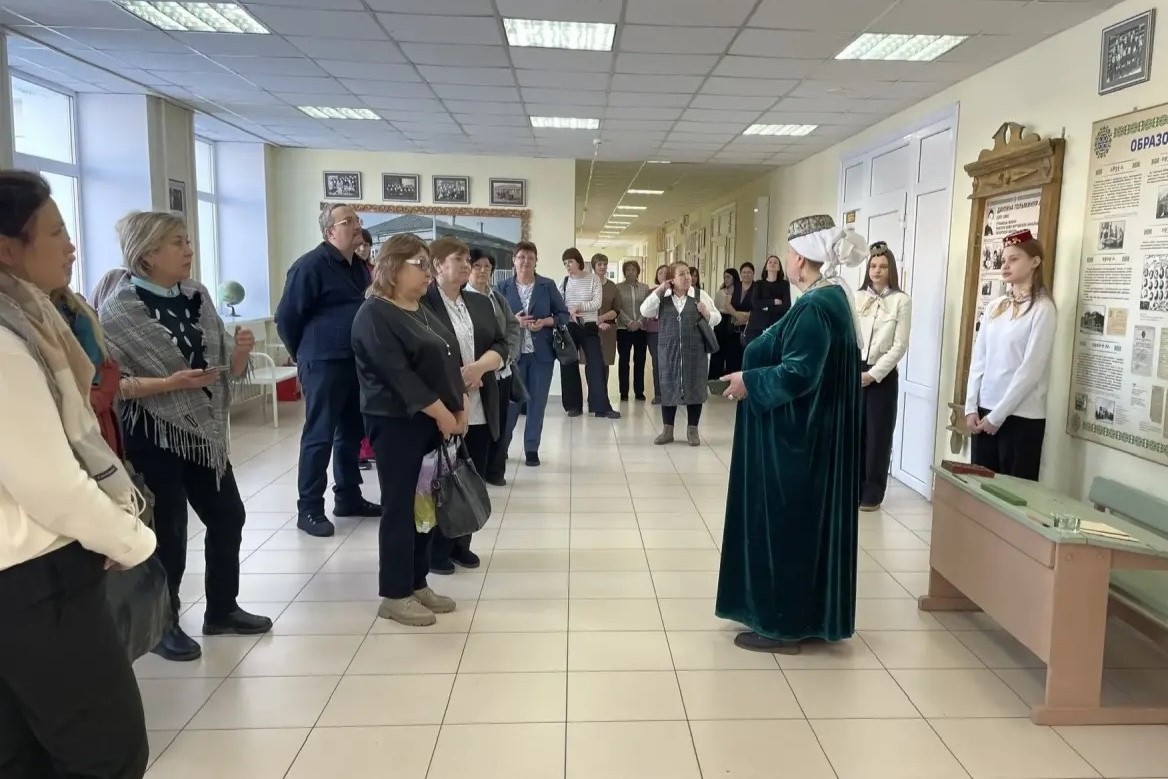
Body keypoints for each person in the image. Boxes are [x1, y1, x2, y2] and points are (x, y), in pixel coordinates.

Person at [0, 170, 156, 779]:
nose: (71, 246)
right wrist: (130, 538)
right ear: (7, 248)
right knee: (107, 753)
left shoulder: (31, 317)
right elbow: (49, 484)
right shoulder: (6, 342)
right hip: (33, 578)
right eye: (56, 232)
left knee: (24, 754)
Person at [99, 210, 273, 662]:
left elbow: (220, 370)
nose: (189, 250)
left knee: (228, 516)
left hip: (202, 433)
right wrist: (169, 384)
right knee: (170, 533)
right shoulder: (118, 310)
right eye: (178, 243)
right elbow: (114, 385)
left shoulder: (196, 295)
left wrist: (240, 354)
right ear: (147, 254)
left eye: (188, 241)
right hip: (153, 433)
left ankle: (222, 610)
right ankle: (163, 625)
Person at [716, 214, 866, 654]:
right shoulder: (828, 297)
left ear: (800, 258)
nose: (787, 258)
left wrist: (750, 381)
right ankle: (805, 616)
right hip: (812, 434)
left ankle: (782, 625)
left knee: (786, 526)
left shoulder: (816, 306)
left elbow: (800, 373)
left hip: (797, 440)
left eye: (790, 251)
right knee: (802, 528)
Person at [351, 233, 463, 626]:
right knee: (400, 507)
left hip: (431, 420)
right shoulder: (374, 314)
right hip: (397, 422)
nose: (429, 273)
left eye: (429, 264)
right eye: (420, 264)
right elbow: (399, 377)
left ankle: (417, 582)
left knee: (424, 506)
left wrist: (458, 407)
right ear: (392, 267)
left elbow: (447, 357)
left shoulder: (420, 307)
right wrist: (444, 413)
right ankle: (395, 594)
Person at [276, 204, 378, 538]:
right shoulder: (310, 266)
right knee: (319, 435)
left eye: (357, 220)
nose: (356, 226)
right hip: (323, 363)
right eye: (348, 221)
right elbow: (287, 318)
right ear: (329, 232)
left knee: (351, 433)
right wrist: (304, 354)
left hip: (355, 362)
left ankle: (348, 497)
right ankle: (309, 509)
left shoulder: (360, 268)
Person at [422, 237, 506, 574]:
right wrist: (457, 379)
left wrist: (479, 368)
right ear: (437, 265)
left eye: (467, 260)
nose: (467, 265)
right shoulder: (423, 303)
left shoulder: (479, 302)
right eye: (458, 259)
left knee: (472, 475)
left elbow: (501, 344)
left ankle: (462, 543)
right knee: (441, 479)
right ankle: (436, 551)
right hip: (444, 407)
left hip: (480, 403)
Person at [965, 229, 1057, 480]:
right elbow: (979, 359)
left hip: (1021, 416)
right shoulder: (996, 306)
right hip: (984, 411)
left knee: (1012, 492)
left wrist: (997, 416)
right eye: (1003, 260)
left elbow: (1030, 371)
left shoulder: (1042, 308)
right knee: (979, 487)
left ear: (1035, 261)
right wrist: (971, 406)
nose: (1005, 265)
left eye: (1013, 259)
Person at [498, 242, 570, 466]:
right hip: (512, 357)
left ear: (536, 261)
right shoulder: (502, 287)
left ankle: (531, 449)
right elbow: (493, 318)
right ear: (514, 260)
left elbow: (563, 314)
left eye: (530, 257)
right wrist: (514, 321)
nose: (525, 261)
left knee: (537, 404)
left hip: (542, 355)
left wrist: (546, 322)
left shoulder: (547, 285)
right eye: (521, 257)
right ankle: (502, 448)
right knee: (510, 405)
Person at [856, 242, 912, 511]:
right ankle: (852, 488)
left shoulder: (901, 300)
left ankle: (872, 493)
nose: (877, 271)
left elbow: (899, 345)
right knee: (854, 432)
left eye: (883, 266)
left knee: (878, 435)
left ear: (891, 270)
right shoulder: (857, 297)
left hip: (882, 374)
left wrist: (873, 375)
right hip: (855, 369)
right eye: (873, 266)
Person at [640, 262, 721, 446]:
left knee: (695, 388)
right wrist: (660, 289)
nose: (687, 277)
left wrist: (707, 313)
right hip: (668, 351)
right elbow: (645, 310)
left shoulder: (699, 295)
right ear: (672, 279)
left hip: (696, 351)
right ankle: (667, 431)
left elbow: (717, 318)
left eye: (688, 274)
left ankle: (693, 430)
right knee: (668, 386)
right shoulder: (663, 297)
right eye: (682, 274)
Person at [467, 247, 521, 486]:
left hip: (502, 371)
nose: (482, 271)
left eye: (487, 267)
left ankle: (495, 471)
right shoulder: (462, 297)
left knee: (500, 423)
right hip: (477, 373)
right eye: (477, 266)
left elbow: (512, 327)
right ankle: (476, 472)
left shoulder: (497, 297)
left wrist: (507, 357)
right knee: (480, 425)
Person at [560, 248, 619, 419]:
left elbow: (596, 303)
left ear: (578, 261)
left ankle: (601, 407)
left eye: (570, 262)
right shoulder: (564, 282)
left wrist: (578, 307)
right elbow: (559, 303)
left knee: (596, 365)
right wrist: (569, 311)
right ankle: (573, 406)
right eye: (565, 263)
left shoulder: (593, 279)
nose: (568, 266)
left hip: (589, 326)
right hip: (570, 326)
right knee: (569, 365)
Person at [616, 260, 651, 402]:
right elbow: (617, 308)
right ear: (624, 272)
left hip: (641, 329)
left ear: (638, 272)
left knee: (640, 360)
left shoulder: (644, 287)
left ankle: (639, 391)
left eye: (633, 269)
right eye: (628, 269)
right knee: (624, 361)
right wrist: (629, 322)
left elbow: (648, 307)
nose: (631, 272)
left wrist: (640, 322)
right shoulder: (618, 287)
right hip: (623, 329)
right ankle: (624, 392)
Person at [356, 228, 376, 471]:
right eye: (359, 244)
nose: (362, 249)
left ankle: (371, 448)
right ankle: (359, 452)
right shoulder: (347, 272)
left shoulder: (374, 271)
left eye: (366, 245)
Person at [744, 254, 791, 345]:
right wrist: (774, 301)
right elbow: (755, 303)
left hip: (776, 326)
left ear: (779, 268)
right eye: (770, 262)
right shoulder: (759, 283)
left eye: (775, 262)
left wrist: (766, 307)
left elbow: (786, 306)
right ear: (766, 267)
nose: (772, 264)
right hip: (756, 326)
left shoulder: (785, 284)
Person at [592, 253, 621, 386]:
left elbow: (617, 310)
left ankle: (603, 394)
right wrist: (596, 321)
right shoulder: (588, 284)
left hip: (608, 329)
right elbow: (582, 308)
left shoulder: (612, 286)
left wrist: (602, 318)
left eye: (605, 264)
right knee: (592, 363)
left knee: (605, 363)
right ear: (594, 266)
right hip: (591, 328)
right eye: (599, 264)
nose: (603, 267)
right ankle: (593, 394)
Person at [710, 268, 741, 379]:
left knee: (732, 351)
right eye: (724, 277)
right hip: (722, 322)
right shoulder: (721, 292)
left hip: (734, 321)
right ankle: (716, 376)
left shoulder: (739, 291)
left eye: (728, 277)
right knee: (719, 350)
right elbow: (717, 307)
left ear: (734, 278)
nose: (726, 279)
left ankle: (731, 375)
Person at [645, 264, 669, 405]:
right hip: (654, 332)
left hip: (671, 332)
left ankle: (673, 393)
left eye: (666, 272)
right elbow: (647, 311)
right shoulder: (651, 292)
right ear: (657, 276)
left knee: (671, 363)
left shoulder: (676, 292)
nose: (664, 275)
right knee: (657, 363)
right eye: (660, 273)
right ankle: (659, 394)